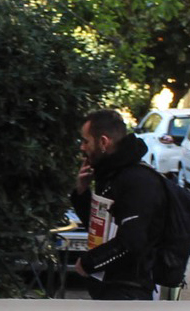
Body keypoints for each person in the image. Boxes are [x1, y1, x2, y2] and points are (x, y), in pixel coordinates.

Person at [70, 108, 167, 301]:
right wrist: (81, 192)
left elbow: (132, 242)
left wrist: (89, 263)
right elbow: (99, 227)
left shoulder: (136, 179)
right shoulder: (110, 175)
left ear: (103, 142)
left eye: (86, 141)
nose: (82, 147)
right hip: (108, 286)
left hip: (129, 292)